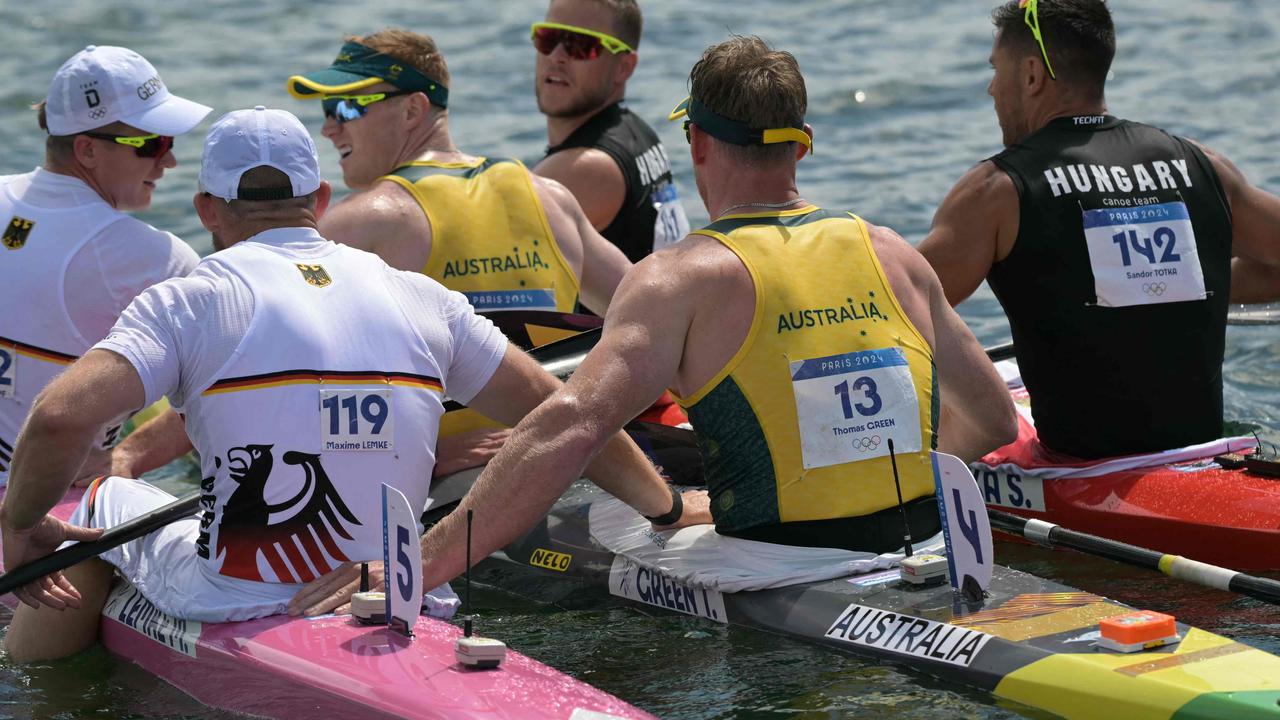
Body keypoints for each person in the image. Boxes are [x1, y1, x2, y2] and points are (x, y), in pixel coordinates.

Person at [291, 35, 1013, 605]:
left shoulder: (681, 277)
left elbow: (564, 431)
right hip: (928, 549)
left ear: (696, 141)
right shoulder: (890, 250)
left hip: (772, 567)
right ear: (802, 142)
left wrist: (415, 565)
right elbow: (992, 421)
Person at [0, 107, 684, 662]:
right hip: (399, 589)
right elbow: (566, 412)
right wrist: (666, 512)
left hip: (235, 594)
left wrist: (22, 524)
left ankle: (22, 676)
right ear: (321, 199)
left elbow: (59, 418)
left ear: (207, 208)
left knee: (94, 499)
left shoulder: (190, 298)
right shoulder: (423, 298)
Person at [918, 0, 1280, 460]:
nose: (991, 88)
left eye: (996, 70)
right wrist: (1173, 283)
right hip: (1204, 456)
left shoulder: (997, 191)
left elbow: (895, 305)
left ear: (1031, 75)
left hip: (1082, 470)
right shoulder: (1202, 165)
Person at [286, 29, 631, 318]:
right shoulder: (553, 200)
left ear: (412, 110)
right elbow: (644, 311)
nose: (329, 128)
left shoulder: (359, 222)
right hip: (548, 394)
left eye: (346, 108)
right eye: (326, 110)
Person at [0, 45, 207, 486]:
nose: (169, 160)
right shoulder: (158, 259)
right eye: (153, 143)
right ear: (87, 150)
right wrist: (128, 455)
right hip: (50, 509)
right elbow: (233, 389)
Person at [532, 0, 691, 264]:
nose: (556, 56)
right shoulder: (640, 134)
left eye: (581, 46)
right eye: (548, 39)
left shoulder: (584, 169)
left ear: (624, 67)